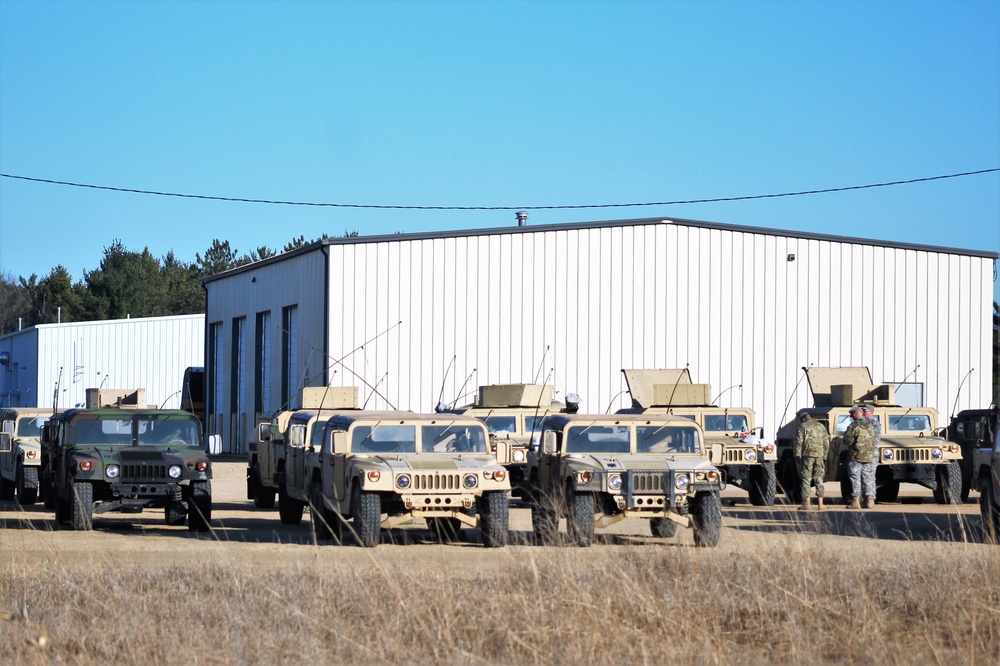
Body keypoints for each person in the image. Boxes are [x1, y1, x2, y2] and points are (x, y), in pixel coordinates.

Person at [794, 411, 830, 510]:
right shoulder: (821, 426)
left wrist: (797, 455)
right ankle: (821, 504)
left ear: (803, 419)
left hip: (807, 456)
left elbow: (799, 442)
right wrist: (825, 456)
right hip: (819, 456)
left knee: (806, 479)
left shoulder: (802, 426)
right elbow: (826, 442)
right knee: (819, 479)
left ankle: (806, 503)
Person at [843, 405, 876, 509]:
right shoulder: (871, 425)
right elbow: (874, 439)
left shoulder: (853, 426)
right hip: (868, 456)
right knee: (868, 478)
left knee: (855, 478)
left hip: (855, 456)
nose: (851, 417)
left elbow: (847, 440)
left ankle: (856, 501)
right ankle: (869, 501)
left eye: (852, 415)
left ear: (854, 414)